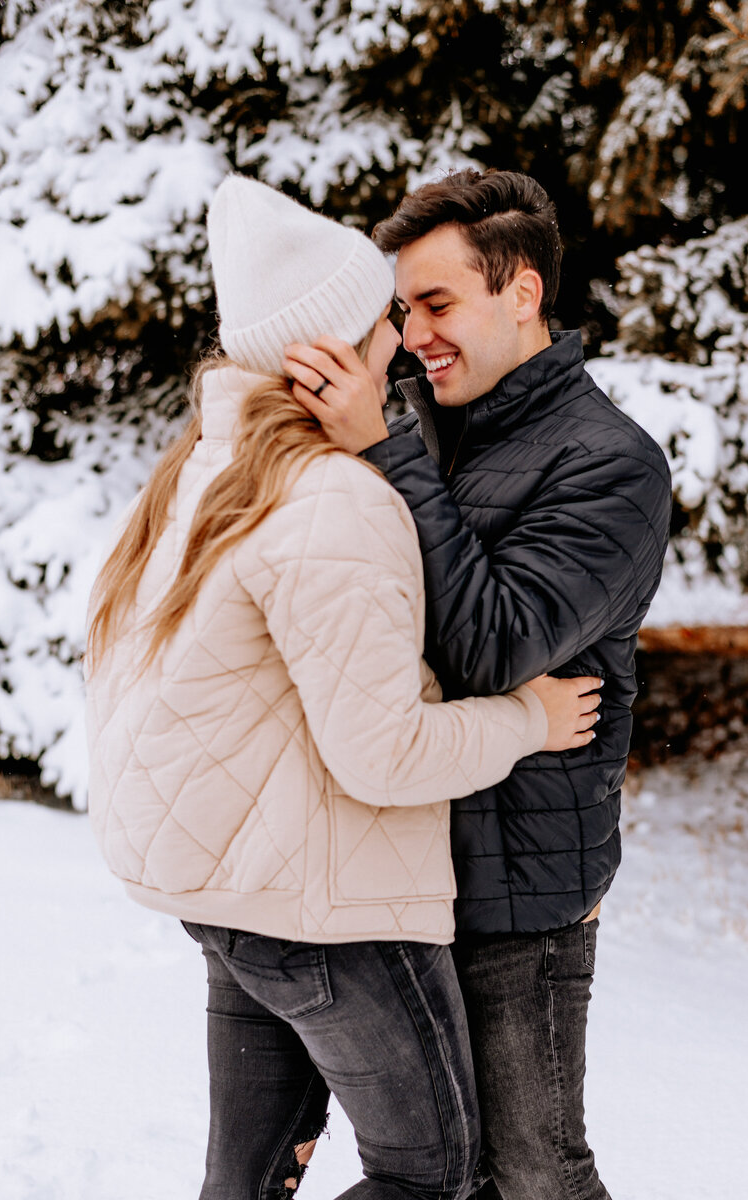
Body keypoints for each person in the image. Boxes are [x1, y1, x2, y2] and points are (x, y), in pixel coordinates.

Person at [83, 173, 604, 1200]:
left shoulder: (205, 466)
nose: (402, 343)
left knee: (246, 1178)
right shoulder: (332, 498)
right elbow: (384, 752)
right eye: (383, 319)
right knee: (433, 1175)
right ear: (323, 349)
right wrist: (523, 719)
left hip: (223, 894)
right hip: (327, 910)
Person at [286, 168, 672, 1200]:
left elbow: (495, 643)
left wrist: (382, 451)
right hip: (397, 869)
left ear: (522, 293)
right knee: (426, 1174)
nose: (414, 334)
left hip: (520, 900)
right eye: (402, 310)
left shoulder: (611, 465)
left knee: (533, 1171)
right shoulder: (421, 430)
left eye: (439, 303)